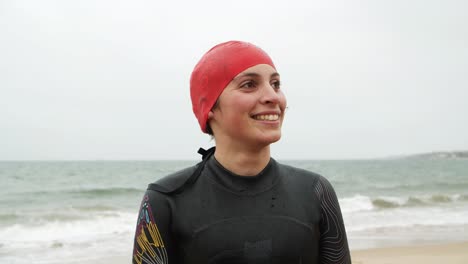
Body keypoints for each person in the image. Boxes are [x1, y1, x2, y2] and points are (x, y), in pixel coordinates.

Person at [132, 40, 351, 264]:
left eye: (275, 84)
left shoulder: (316, 192)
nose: (273, 97)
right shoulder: (166, 200)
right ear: (209, 108)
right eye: (249, 85)